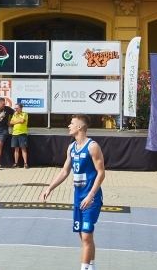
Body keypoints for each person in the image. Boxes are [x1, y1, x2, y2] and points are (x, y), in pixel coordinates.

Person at [41, 114, 105, 270]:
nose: (69, 126)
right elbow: (64, 171)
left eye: (72, 123)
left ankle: (84, 268)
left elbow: (101, 172)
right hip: (78, 197)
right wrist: (50, 188)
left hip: (91, 198)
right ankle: (92, 266)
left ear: (80, 127)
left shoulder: (92, 147)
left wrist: (91, 195)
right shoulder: (71, 147)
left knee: (86, 235)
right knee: (83, 236)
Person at [9, 103, 29, 169]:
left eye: (17, 108)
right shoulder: (14, 115)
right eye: (15, 108)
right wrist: (18, 121)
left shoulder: (24, 114)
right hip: (15, 133)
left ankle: (25, 163)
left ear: (21, 108)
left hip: (22, 133)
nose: (16, 110)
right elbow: (11, 122)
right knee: (16, 149)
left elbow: (22, 121)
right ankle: (16, 163)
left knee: (23, 148)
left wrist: (17, 117)